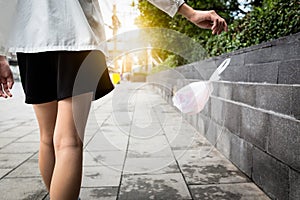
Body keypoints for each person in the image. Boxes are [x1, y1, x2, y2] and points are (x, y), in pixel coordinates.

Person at [0, 1, 227, 199]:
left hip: (30, 40)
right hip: (78, 37)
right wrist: (189, 12)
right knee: (68, 141)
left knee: (47, 139)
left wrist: (0, 53)